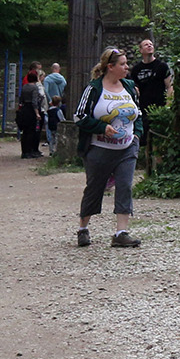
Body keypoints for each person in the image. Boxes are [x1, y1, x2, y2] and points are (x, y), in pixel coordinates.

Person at [74, 47, 144, 247]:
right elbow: (79, 116)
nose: (126, 67)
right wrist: (101, 127)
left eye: (126, 64)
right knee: (95, 189)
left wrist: (137, 136)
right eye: (122, 64)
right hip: (99, 149)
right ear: (110, 67)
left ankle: (121, 232)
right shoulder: (94, 89)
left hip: (127, 148)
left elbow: (137, 113)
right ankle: (83, 228)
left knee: (125, 186)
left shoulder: (130, 87)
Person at [130, 38, 172, 108]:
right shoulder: (136, 69)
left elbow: (169, 86)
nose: (149, 46)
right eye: (146, 45)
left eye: (151, 44)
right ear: (141, 50)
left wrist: (168, 105)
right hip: (143, 107)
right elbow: (134, 88)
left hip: (160, 107)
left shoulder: (162, 66)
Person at [17, 70, 46, 158]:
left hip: (25, 108)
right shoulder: (35, 88)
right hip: (32, 110)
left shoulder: (25, 87)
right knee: (31, 131)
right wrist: (37, 113)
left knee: (25, 131)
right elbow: (34, 101)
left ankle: (24, 151)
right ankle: (30, 151)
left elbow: (20, 99)